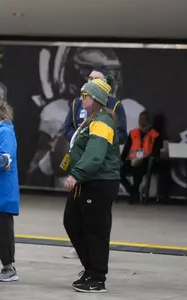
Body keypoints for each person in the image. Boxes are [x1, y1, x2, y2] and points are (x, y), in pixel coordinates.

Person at [62, 77, 121, 293]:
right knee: (72, 222)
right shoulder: (91, 120)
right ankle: (90, 269)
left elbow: (95, 155)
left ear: (94, 98)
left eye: (84, 95)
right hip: (87, 182)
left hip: (99, 183)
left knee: (96, 230)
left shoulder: (103, 122)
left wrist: (76, 174)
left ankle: (97, 277)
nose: (81, 98)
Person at [0, 98, 20, 282]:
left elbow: (5, 160)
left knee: (2, 232)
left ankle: (9, 269)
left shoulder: (4, 132)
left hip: (1, 193)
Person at [120, 111, 162, 203]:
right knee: (119, 173)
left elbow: (156, 151)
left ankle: (133, 195)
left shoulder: (155, 134)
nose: (142, 122)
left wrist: (143, 158)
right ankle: (133, 192)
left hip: (146, 161)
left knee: (137, 171)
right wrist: (121, 160)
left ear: (148, 121)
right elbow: (126, 148)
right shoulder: (133, 132)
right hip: (132, 160)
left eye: (144, 120)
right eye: (140, 119)